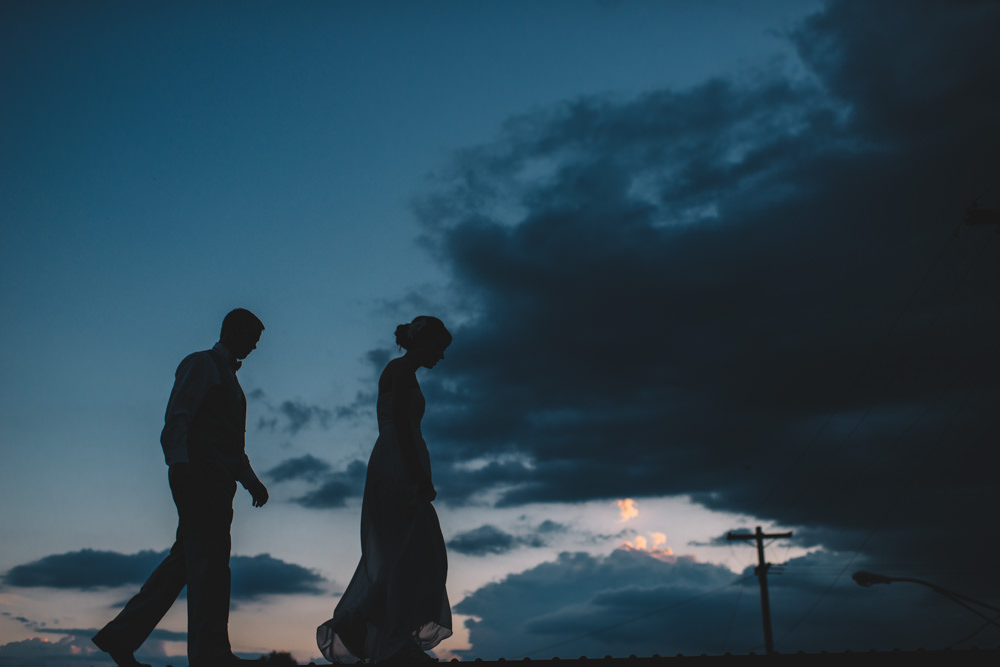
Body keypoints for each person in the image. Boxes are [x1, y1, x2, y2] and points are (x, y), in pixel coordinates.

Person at [92, 309, 269, 667]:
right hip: (198, 479)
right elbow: (179, 417)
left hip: (218, 485)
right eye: (252, 339)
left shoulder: (233, 385)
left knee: (187, 563)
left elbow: (233, 446)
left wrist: (250, 481)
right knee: (211, 566)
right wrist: (180, 466)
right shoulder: (201, 365)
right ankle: (210, 654)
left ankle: (120, 636)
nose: (254, 348)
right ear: (234, 331)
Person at [318, 316, 453, 664]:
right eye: (439, 348)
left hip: (395, 460)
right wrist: (418, 476)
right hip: (398, 464)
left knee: (409, 556)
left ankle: (377, 629)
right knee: (417, 554)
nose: (441, 357)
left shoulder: (401, 371)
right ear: (424, 343)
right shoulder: (401, 371)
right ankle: (379, 632)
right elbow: (401, 427)